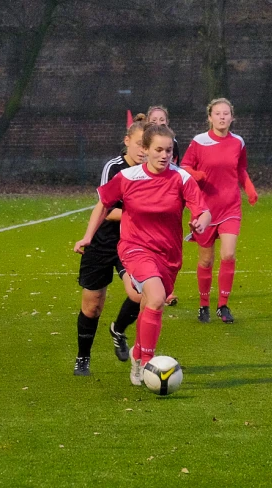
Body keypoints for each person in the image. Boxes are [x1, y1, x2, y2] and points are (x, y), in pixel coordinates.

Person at [74, 123, 211, 385]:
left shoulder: (181, 178)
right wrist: (88, 236)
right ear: (145, 150)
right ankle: (146, 363)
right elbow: (103, 204)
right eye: (158, 149)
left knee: (151, 301)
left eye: (169, 150)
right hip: (135, 247)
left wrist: (201, 221)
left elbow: (203, 211)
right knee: (157, 297)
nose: (164, 155)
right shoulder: (128, 177)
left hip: (169, 254)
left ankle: (138, 354)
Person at [72, 116, 146, 376]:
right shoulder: (114, 168)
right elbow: (107, 207)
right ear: (127, 142)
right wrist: (137, 213)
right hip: (103, 242)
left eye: (146, 145)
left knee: (139, 293)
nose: (143, 151)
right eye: (139, 144)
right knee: (92, 306)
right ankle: (83, 356)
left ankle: (119, 329)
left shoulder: (150, 171)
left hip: (132, 243)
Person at [181, 97, 258, 324]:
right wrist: (195, 175)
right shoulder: (199, 141)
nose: (222, 117)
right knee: (206, 260)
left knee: (228, 254)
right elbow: (184, 166)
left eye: (226, 113)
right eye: (218, 113)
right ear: (210, 117)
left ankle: (223, 305)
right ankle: (203, 304)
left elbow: (241, 169)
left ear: (232, 117)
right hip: (204, 209)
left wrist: (249, 188)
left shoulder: (238, 142)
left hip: (230, 206)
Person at [147, 104, 182, 305]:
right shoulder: (141, 142)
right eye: (154, 121)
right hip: (147, 199)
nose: (158, 124)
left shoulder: (173, 144)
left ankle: (166, 290)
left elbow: (178, 168)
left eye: (162, 121)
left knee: (167, 242)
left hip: (167, 196)